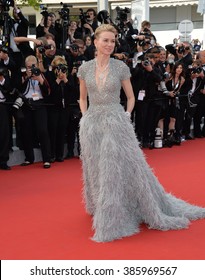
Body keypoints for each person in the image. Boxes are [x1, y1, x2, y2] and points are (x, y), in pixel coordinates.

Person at [77, 24, 205, 243]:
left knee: (113, 167)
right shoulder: (85, 69)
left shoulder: (120, 68)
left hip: (116, 122)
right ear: (95, 42)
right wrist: (84, 116)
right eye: (105, 40)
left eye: (113, 40)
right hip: (91, 125)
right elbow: (82, 98)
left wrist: (126, 115)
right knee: (95, 165)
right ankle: (99, 203)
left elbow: (131, 97)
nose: (109, 44)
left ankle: (113, 215)